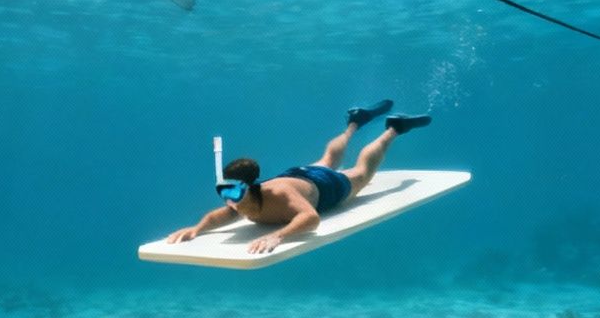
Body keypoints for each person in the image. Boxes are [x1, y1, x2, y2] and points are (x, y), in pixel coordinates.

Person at [165, 100, 431, 255]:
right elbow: (219, 216)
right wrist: (196, 229)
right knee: (328, 157)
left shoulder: (280, 197)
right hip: (295, 175)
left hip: (322, 187)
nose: (229, 201)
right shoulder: (240, 199)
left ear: (249, 187)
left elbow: (311, 218)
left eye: (233, 193)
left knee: (361, 173)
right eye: (223, 191)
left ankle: (394, 128)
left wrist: (278, 236)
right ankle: (354, 122)